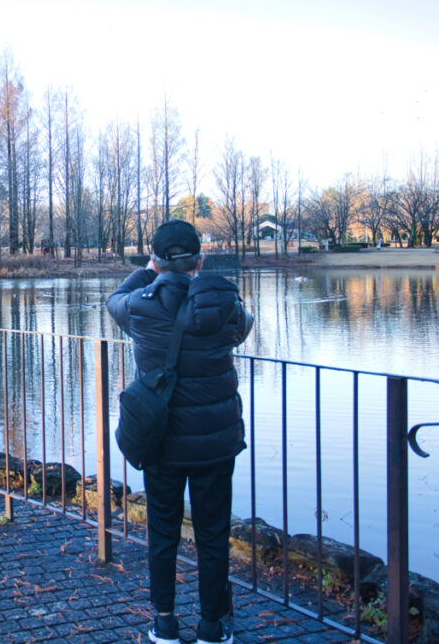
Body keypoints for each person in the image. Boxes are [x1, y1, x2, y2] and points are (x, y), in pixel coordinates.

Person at [108, 220, 253, 644]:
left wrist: (147, 271)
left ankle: (165, 623)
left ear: (154, 260)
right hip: (215, 440)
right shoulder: (225, 304)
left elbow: (114, 299)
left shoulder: (140, 305)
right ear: (200, 260)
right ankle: (211, 627)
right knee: (212, 533)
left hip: (162, 439)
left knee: (163, 532)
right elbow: (244, 328)